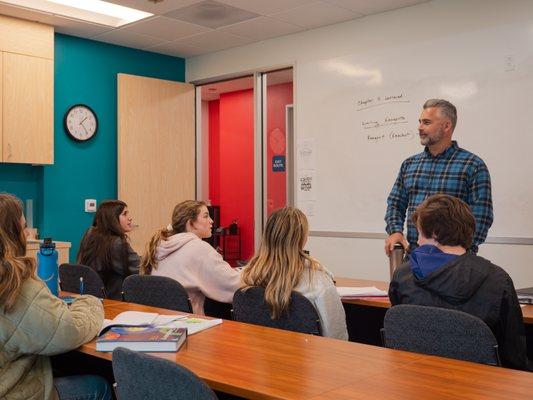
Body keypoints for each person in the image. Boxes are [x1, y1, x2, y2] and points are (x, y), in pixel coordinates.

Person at [388, 194, 528, 370]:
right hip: (481, 386)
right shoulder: (498, 280)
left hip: (416, 379)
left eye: (420, 234)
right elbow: (514, 356)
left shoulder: (403, 276)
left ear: (434, 233)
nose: (417, 241)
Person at [0, 193, 110, 399]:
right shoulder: (13, 284)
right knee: (99, 385)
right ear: (11, 234)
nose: (27, 234)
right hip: (13, 392)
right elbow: (69, 331)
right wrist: (90, 302)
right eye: (23, 227)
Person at [384, 99, 493, 256]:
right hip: (415, 258)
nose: (419, 127)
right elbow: (395, 204)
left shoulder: (472, 165)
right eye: (420, 122)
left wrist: (456, 251)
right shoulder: (409, 164)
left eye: (426, 122)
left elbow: (481, 217)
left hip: (454, 263)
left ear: (446, 126)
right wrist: (395, 231)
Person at [241, 207, 348, 340]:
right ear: (302, 239)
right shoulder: (318, 283)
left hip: (262, 358)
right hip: (308, 359)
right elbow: (337, 338)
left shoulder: (249, 277)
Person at [140, 200, 241, 315]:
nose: (211, 221)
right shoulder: (200, 249)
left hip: (160, 322)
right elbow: (233, 284)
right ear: (191, 224)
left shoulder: (160, 245)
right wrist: (253, 273)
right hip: (190, 324)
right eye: (206, 216)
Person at [77, 200, 140, 300]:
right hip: (114, 303)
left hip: (90, 299)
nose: (130, 218)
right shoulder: (117, 243)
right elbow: (140, 268)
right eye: (125, 214)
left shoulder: (90, 235)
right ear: (112, 219)